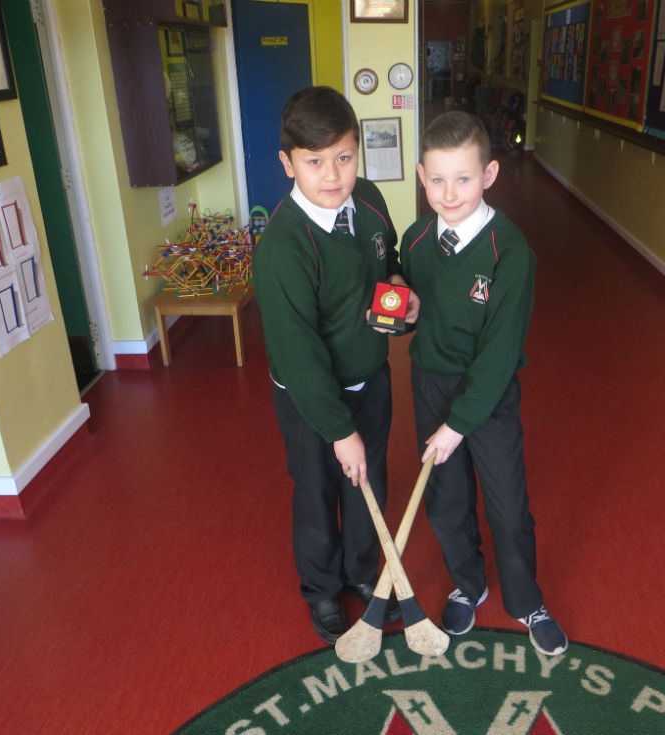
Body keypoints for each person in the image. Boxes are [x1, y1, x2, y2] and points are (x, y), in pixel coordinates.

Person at [399, 111, 568, 657]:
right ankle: (468, 584)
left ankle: (525, 600)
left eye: (464, 178)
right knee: (446, 501)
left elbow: (498, 356)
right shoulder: (417, 238)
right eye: (437, 179)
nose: (449, 193)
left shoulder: (510, 253)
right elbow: (421, 306)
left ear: (490, 175)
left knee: (507, 504)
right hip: (430, 383)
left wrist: (457, 427)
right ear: (422, 176)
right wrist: (407, 309)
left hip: (486, 397)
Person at [252, 86, 415, 645]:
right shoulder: (281, 247)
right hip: (310, 397)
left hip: (370, 377)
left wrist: (397, 288)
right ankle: (321, 588)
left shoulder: (368, 199)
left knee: (370, 483)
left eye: (344, 157)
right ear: (287, 163)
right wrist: (339, 431)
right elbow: (299, 356)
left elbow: (386, 257)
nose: (332, 175)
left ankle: (360, 573)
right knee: (319, 489)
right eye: (314, 162)